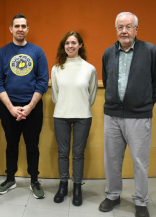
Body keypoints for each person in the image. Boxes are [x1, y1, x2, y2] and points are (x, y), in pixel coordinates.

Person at [99, 12, 156, 217]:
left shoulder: (150, 50)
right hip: (112, 116)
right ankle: (112, 195)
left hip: (139, 117)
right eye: (120, 27)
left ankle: (141, 201)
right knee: (111, 160)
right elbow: (107, 80)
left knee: (139, 161)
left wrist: (144, 104)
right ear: (116, 29)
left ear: (136, 29)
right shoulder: (108, 53)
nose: (124, 31)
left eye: (128, 26)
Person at [0, 13, 49, 199]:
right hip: (9, 107)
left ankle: (34, 180)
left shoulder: (37, 52)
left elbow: (42, 82)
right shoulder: (2, 53)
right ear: (11, 29)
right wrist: (11, 108)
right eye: (16, 26)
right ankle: (10, 178)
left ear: (27, 29)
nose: (20, 29)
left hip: (32, 108)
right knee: (11, 144)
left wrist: (29, 107)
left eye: (23, 26)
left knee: (33, 145)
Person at [51, 31, 98, 205]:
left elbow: (92, 94)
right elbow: (55, 94)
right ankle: (63, 186)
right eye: (67, 43)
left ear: (80, 45)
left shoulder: (89, 68)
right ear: (63, 46)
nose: (70, 46)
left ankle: (77, 187)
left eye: (74, 43)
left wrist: (81, 105)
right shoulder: (56, 68)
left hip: (83, 117)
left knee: (78, 154)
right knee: (63, 153)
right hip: (61, 116)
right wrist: (64, 105)